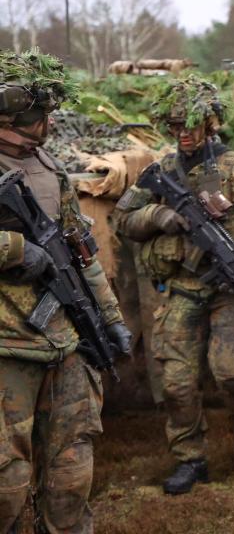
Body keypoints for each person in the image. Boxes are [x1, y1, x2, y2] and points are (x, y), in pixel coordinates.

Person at [114, 76, 234, 494]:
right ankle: (190, 459)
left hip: (231, 288)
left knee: (233, 370)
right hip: (185, 286)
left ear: (210, 123)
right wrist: (158, 218)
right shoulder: (162, 171)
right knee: (177, 382)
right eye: (175, 125)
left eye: (191, 123)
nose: (183, 133)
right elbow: (122, 219)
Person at [0, 48, 131, 532]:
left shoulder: (51, 168)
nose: (46, 126)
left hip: (68, 341)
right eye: (37, 117)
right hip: (7, 348)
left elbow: (82, 255)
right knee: (6, 485)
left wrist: (112, 321)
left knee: (71, 473)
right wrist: (15, 250)